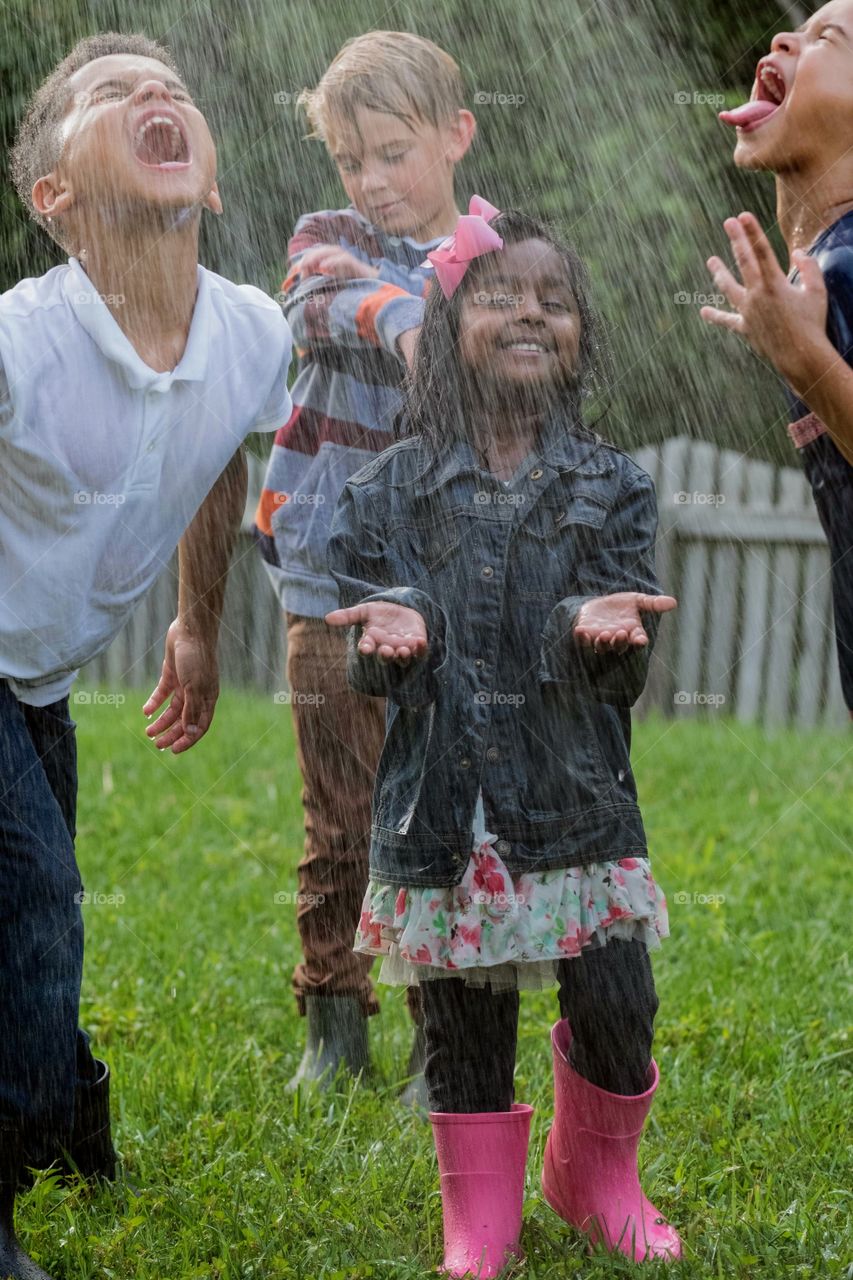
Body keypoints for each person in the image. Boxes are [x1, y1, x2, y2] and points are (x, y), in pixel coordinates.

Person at [325, 198, 681, 1274]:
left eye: (555, 300)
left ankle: (597, 1174)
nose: (532, 313)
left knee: (619, 994)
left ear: (580, 335)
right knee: (464, 1014)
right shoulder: (386, 488)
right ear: (445, 329)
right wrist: (388, 647)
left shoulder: (611, 484)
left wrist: (598, 631)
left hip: (576, 801)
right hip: (451, 808)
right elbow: (376, 639)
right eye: (499, 295)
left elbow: (621, 666)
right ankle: (479, 1216)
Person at [1, 33, 292, 1278]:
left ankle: (66, 1101)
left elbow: (223, 449)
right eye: (109, 93)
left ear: (211, 183)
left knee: (33, 900)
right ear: (50, 197)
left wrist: (196, 620)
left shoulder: (252, 335)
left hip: (41, 679)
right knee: (33, 901)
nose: (153, 92)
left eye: (168, 83)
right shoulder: (19, 347)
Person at [251, 31, 475, 1097]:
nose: (372, 182)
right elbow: (314, 301)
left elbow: (514, 348)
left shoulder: (495, 250)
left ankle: (443, 1039)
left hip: (443, 581)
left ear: (455, 134)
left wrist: (446, 316)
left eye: (393, 152)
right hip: (323, 577)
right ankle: (333, 1020)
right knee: (339, 808)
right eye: (351, 159)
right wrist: (405, 318)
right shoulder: (324, 235)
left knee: (438, 808)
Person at [702, 0, 853, 716]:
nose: (782, 36)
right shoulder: (827, 266)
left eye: (830, 38)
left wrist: (802, 357)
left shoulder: (846, 267)